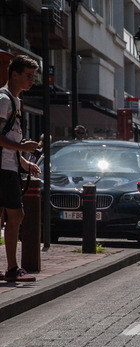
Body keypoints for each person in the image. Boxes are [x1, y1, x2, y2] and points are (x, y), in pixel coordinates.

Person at [0, 55, 41, 282]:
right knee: (16, 215)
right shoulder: (4, 99)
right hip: (4, 169)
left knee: (7, 217)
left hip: (9, 167)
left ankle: (10, 268)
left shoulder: (16, 101)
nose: (31, 80)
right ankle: (13, 269)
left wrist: (24, 163)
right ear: (14, 74)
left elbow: (8, 141)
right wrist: (22, 147)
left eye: (33, 76)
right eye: (27, 75)